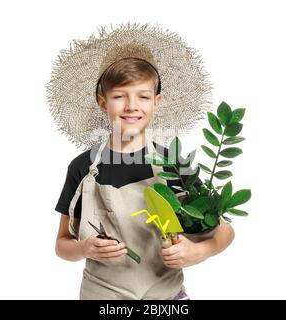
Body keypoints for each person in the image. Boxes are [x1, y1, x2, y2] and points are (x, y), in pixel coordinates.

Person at [48, 22, 235, 300]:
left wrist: (197, 251)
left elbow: (225, 231)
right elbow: (62, 245)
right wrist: (84, 248)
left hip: (167, 298)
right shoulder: (83, 168)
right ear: (103, 102)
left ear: (156, 102)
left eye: (143, 96)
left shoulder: (175, 166)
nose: (132, 106)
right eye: (119, 96)